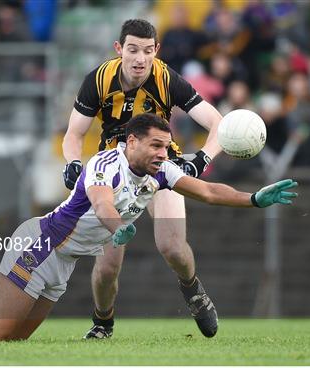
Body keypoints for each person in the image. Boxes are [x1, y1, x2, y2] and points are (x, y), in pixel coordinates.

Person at [0, 113, 298, 342]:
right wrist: (118, 228)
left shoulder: (160, 170)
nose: (163, 153)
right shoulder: (103, 164)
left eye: (166, 146)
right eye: (155, 145)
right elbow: (101, 202)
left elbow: (205, 190)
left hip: (65, 260)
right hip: (39, 246)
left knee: (9, 335)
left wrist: (254, 198)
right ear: (130, 142)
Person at [62, 19, 224, 339]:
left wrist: (203, 158)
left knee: (173, 247)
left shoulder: (167, 78)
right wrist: (72, 163)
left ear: (156, 51)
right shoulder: (98, 79)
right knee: (108, 268)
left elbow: (217, 123)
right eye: (133, 50)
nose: (140, 59)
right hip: (114, 172)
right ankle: (103, 323)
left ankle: (193, 290)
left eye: (147, 51)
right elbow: (74, 134)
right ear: (119, 49)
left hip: (161, 166)